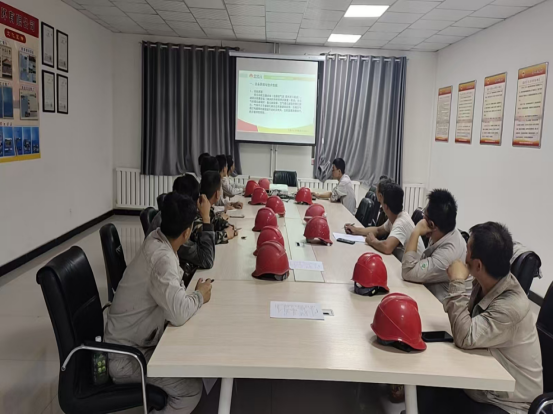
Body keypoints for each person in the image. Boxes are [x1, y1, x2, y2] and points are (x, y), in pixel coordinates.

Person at [418, 222, 543, 414]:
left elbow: (465, 336)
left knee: (433, 393)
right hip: (484, 383)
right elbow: (461, 319)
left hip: (506, 404)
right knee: (426, 384)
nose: (464, 254)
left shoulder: (512, 306)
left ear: (478, 265)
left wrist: (457, 282)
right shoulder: (485, 282)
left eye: (467, 249)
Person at [105, 193, 213, 414]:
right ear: (187, 232)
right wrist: (199, 296)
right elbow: (179, 313)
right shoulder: (161, 258)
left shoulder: (157, 237)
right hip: (127, 357)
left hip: (135, 339)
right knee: (191, 390)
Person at [146, 175, 215, 285]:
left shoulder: (168, 213)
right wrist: (206, 218)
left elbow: (196, 237)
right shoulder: (175, 224)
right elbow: (207, 259)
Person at [402, 189, 468, 302]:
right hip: (431, 293)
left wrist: (415, 232)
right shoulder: (443, 231)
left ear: (431, 224)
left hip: (440, 306)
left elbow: (407, 272)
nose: (423, 217)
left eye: (425, 214)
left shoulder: (448, 254)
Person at [345, 181, 425, 261]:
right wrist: (356, 230)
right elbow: (378, 230)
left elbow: (387, 247)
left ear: (385, 206)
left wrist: (373, 241)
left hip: (415, 266)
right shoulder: (396, 216)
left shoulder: (401, 222)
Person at [197, 170, 237, 244]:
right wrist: (225, 234)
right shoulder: (198, 210)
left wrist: (230, 227)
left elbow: (216, 222)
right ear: (217, 194)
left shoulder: (208, 208)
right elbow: (204, 239)